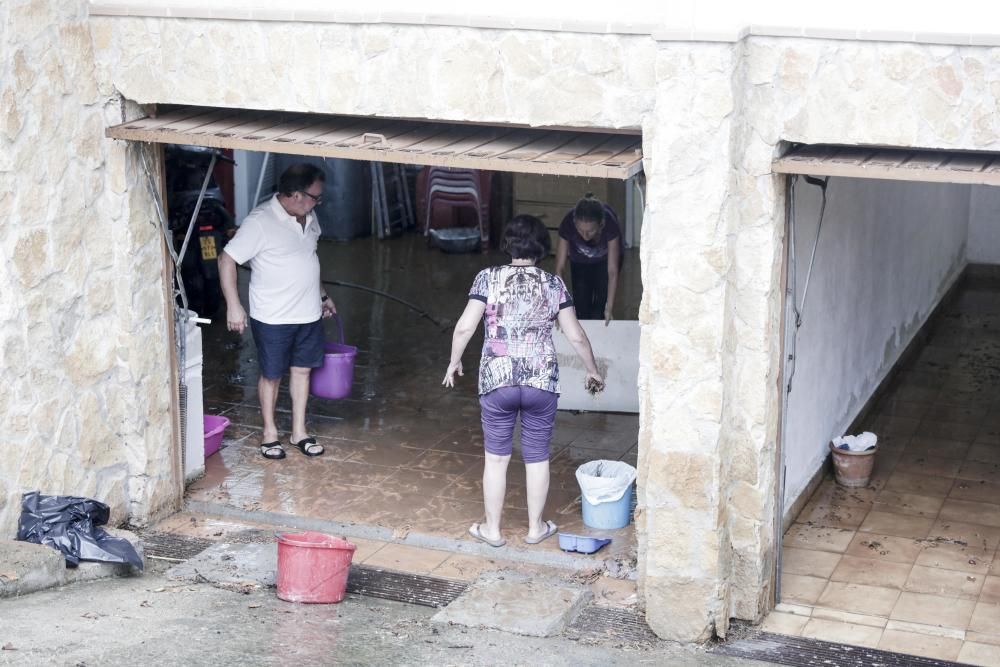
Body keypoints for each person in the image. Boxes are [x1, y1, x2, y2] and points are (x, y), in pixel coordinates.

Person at [443, 215, 603, 547]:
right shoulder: (553, 284)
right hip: (540, 381)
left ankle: (493, 530)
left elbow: (464, 327)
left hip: (497, 381)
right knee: (537, 456)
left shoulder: (487, 278)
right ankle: (535, 529)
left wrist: (454, 361)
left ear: (508, 244)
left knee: (496, 459)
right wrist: (592, 370)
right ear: (541, 247)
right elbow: (576, 336)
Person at [218, 163, 336, 460]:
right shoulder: (260, 221)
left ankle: (299, 431)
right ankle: (270, 432)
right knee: (271, 374)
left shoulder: (309, 217)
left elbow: (310, 258)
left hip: (308, 312)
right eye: (315, 197)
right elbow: (226, 259)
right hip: (273, 316)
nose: (317, 202)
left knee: (302, 370)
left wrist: (323, 295)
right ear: (296, 195)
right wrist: (234, 305)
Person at [554, 194, 622, 324]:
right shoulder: (568, 222)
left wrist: (610, 307)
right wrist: (560, 307)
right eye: (580, 230)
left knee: (600, 309)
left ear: (600, 225)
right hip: (579, 261)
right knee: (581, 309)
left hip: (605, 261)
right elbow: (560, 268)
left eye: (590, 231)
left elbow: (612, 271)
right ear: (575, 224)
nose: (585, 236)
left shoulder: (610, 224)